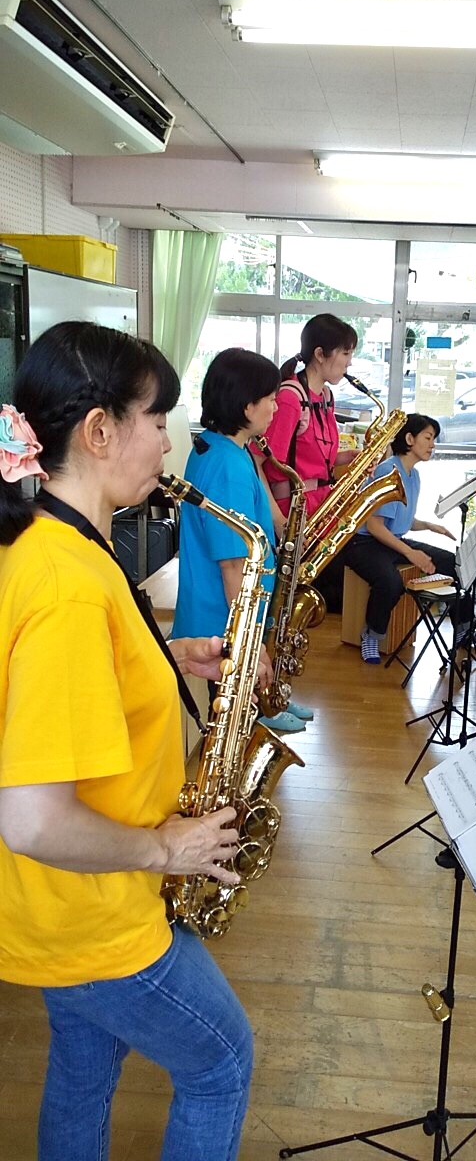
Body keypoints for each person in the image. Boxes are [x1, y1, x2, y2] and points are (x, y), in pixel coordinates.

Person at [0, 322, 253, 1161]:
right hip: (93, 910)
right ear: (99, 431)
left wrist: (167, 656)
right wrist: (167, 848)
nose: (168, 443)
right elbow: (33, 820)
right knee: (221, 1063)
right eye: (156, 419)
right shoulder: (68, 583)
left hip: (56, 905)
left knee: (82, 1073)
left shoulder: (54, 538)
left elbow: (57, 683)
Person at [172, 346, 308, 734]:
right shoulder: (227, 466)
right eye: (271, 399)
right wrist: (251, 644)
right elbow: (233, 564)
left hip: (220, 617)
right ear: (248, 406)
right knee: (232, 723)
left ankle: (268, 704)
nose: (276, 408)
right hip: (223, 624)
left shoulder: (219, 446)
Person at [343, 413, 472, 664]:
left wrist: (428, 526)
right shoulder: (388, 470)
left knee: (456, 564)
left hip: (391, 540)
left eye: (434, 439)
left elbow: (401, 520)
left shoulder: (414, 475)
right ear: (410, 439)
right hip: (364, 544)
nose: (432, 445)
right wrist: (411, 553)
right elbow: (375, 526)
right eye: (428, 437)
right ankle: (371, 635)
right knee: (390, 582)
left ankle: (464, 631)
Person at [258, 313, 359, 614]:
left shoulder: (325, 395)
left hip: (319, 507)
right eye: (345, 353)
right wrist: (279, 522)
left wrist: (345, 459)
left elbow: (308, 455)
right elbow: (258, 461)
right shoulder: (290, 398)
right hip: (293, 512)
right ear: (320, 354)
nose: (349, 362)